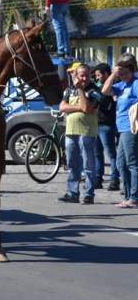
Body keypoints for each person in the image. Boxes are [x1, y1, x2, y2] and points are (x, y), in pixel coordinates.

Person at [58, 64, 101, 204]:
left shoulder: (94, 90)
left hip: (87, 132)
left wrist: (81, 91)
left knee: (88, 165)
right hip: (71, 131)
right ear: (75, 76)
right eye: (81, 75)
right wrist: (79, 107)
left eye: (87, 75)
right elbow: (62, 107)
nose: (84, 78)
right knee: (72, 164)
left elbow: (87, 108)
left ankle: (89, 194)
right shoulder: (69, 90)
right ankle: (72, 193)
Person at [101, 53, 138, 208]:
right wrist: (113, 75)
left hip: (131, 127)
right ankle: (129, 196)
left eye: (123, 72)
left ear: (131, 70)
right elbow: (104, 91)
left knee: (132, 162)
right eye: (120, 73)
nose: (121, 75)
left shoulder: (136, 83)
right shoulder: (122, 85)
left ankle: (134, 198)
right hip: (121, 128)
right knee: (121, 164)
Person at [93, 63, 119, 191]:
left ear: (106, 74)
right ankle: (98, 179)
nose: (97, 78)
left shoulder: (111, 87)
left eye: (99, 75)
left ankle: (115, 180)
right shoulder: (97, 86)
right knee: (97, 154)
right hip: (96, 124)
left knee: (111, 154)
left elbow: (102, 100)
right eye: (96, 76)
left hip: (106, 124)